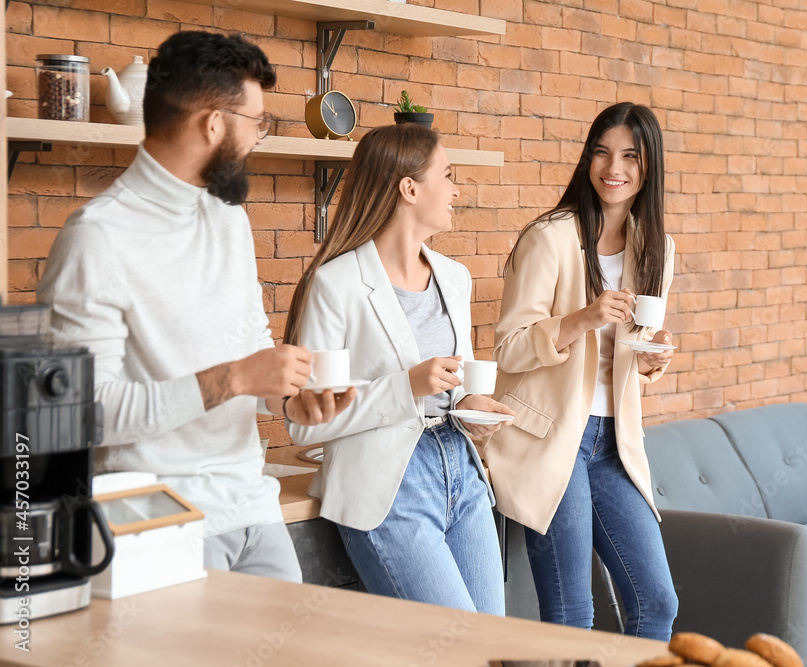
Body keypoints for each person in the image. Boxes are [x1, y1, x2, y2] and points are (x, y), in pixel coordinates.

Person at [37, 31, 354, 582]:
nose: (259, 138)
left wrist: (287, 400)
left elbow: (246, 357)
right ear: (213, 124)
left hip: (252, 505)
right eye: (257, 122)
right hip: (155, 520)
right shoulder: (97, 239)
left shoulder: (227, 219)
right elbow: (84, 416)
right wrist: (235, 378)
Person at [282, 123, 513, 615]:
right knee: (456, 653)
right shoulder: (336, 283)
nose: (455, 190)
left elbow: (454, 379)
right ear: (409, 188)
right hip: (390, 487)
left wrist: (470, 404)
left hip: (462, 472)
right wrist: (405, 387)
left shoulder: (455, 277)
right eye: (447, 176)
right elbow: (304, 423)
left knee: (494, 641)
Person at [483, 102, 679, 638]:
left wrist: (653, 359)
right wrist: (580, 320)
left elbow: (629, 361)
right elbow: (511, 349)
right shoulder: (549, 237)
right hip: (554, 441)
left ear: (649, 167)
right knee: (572, 615)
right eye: (601, 152)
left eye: (629, 156)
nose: (613, 167)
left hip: (614, 444)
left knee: (656, 601)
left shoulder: (656, 249)